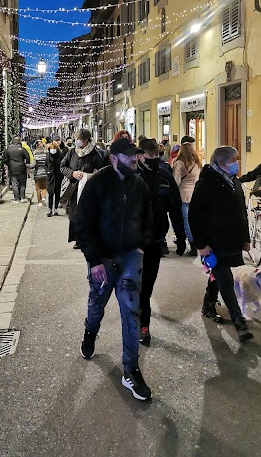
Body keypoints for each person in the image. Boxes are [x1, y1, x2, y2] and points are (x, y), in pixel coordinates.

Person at [75, 137, 154, 400]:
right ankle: (90, 332)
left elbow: (148, 217)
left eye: (136, 157)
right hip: (103, 258)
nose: (135, 161)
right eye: (130, 157)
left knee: (131, 309)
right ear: (113, 159)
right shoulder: (97, 183)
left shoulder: (139, 184)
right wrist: (94, 259)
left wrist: (142, 245)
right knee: (97, 303)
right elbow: (82, 223)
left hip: (131, 256)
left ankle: (130, 369)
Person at [189, 146, 253, 343]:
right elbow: (194, 216)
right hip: (213, 242)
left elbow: (241, 211)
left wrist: (246, 238)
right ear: (221, 163)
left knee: (218, 275)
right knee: (225, 279)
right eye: (233, 160)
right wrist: (201, 244)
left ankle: (208, 303)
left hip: (231, 239)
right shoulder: (207, 183)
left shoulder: (234, 182)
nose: (237, 163)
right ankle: (239, 322)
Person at [137, 138, 186, 346]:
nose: (155, 158)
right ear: (140, 156)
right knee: (134, 286)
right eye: (150, 155)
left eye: (157, 155)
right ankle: (140, 324)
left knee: (147, 285)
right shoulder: (131, 176)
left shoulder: (165, 176)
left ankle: (142, 320)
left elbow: (175, 209)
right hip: (133, 243)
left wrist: (181, 236)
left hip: (156, 240)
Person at [60, 129, 103, 249]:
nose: (77, 141)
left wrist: (89, 176)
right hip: (74, 189)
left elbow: (101, 171)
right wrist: (72, 173)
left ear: (86, 140)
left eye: (80, 139)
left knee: (88, 214)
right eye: (76, 139)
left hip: (89, 189)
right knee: (74, 214)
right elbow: (63, 166)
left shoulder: (95, 154)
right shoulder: (72, 152)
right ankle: (78, 239)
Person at [173, 143, 202, 256]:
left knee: (186, 222)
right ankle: (197, 243)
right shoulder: (197, 163)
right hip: (194, 194)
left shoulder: (179, 163)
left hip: (183, 194)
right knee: (195, 220)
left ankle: (192, 244)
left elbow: (176, 181)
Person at [4, 137, 30, 203]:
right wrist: (26, 165)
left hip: (12, 169)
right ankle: (22, 197)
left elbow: (5, 159)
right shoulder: (22, 149)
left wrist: (9, 165)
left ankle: (16, 199)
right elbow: (28, 158)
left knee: (14, 184)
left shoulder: (8, 150)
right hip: (22, 168)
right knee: (22, 184)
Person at [46, 141, 63, 216]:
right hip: (51, 176)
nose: (52, 150)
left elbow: (63, 165)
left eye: (54, 149)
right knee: (50, 193)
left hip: (58, 176)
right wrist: (48, 172)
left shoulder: (60, 155)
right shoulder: (48, 155)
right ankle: (50, 209)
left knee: (57, 193)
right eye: (51, 149)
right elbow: (46, 165)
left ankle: (55, 208)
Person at [33, 142, 48, 207]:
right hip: (45, 173)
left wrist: (27, 165)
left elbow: (33, 165)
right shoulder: (46, 155)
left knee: (38, 188)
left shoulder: (35, 156)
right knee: (44, 187)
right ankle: (44, 198)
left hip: (37, 174)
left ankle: (39, 202)